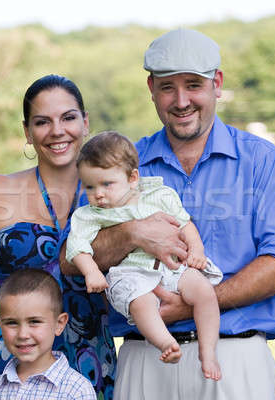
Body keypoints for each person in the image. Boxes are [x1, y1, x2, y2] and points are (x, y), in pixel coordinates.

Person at [61, 28, 275, 399]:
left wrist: (195, 302)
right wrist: (132, 233)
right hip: (145, 358)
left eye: (193, 85)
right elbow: (72, 261)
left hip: (235, 359)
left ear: (217, 84)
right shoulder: (122, 162)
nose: (181, 101)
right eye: (167, 87)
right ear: (151, 89)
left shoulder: (261, 159)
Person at [0, 74, 116, 398]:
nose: (57, 131)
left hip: (93, 364)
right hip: (13, 367)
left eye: (68, 118)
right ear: (27, 132)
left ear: (85, 123)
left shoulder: (115, 198)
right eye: (42, 122)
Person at [67, 131, 223, 380]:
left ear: (132, 178)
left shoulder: (159, 195)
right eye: (89, 186)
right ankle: (165, 343)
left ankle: (208, 350)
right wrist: (92, 271)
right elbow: (77, 248)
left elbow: (185, 224)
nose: (98, 194)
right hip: (130, 273)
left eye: (107, 184)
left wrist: (196, 250)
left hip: (170, 267)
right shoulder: (89, 215)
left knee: (204, 290)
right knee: (141, 303)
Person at [0, 269, 96, 400]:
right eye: (12, 323)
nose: (23, 334)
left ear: (59, 324)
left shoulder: (76, 390)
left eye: (34, 322)